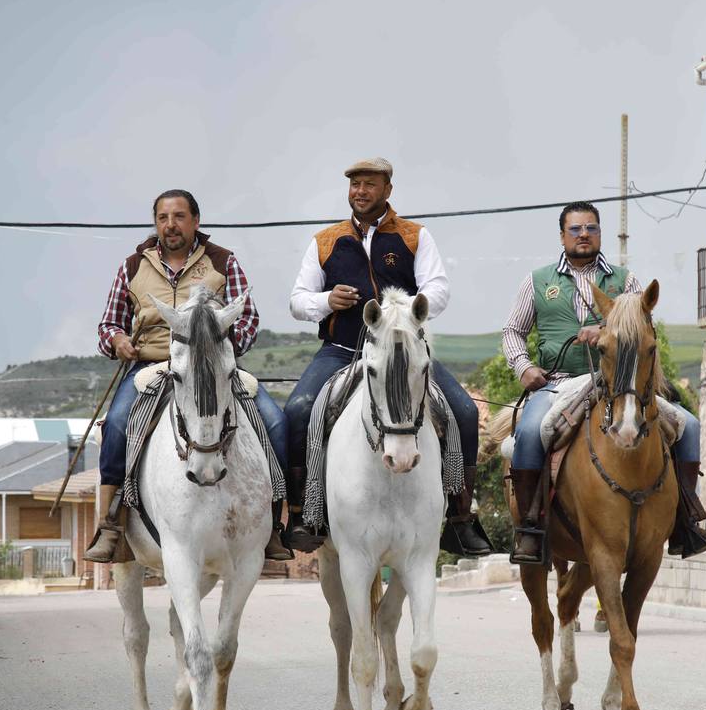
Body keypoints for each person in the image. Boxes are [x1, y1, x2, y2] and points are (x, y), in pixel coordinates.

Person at [281, 158, 492, 557]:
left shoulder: (415, 236)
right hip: (341, 350)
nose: (360, 191)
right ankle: (302, 514)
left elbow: (438, 290)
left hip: (404, 354)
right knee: (297, 409)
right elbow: (297, 301)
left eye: (370, 184)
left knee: (463, 410)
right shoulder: (325, 241)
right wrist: (327, 300)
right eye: (355, 184)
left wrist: (401, 314)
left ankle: (461, 519)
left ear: (388, 190)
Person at [501, 201, 706, 563]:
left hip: (617, 383)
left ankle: (686, 520)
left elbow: (640, 325)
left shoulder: (626, 281)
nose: (584, 234)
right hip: (558, 383)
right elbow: (513, 330)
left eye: (591, 228)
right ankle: (530, 528)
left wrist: (606, 329)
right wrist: (524, 367)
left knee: (690, 427)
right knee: (529, 434)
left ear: (600, 233)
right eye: (575, 229)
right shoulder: (538, 281)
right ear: (562, 236)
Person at [86, 188, 292, 563]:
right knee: (116, 424)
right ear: (156, 223)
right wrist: (116, 341)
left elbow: (247, 319)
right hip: (152, 366)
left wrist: (220, 346)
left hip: (213, 366)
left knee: (276, 422)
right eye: (163, 218)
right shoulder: (134, 265)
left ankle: (278, 522)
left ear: (196, 221)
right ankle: (110, 523)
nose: (170, 225)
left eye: (179, 217)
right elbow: (108, 324)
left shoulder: (222, 262)